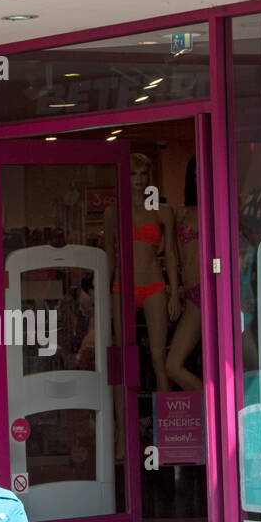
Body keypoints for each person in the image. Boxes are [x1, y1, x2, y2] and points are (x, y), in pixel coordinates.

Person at [106, 152, 181, 393]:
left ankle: (166, 423)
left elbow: (170, 253)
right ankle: (123, 429)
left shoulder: (163, 211)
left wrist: (174, 294)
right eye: (132, 173)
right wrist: (103, 297)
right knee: (123, 359)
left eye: (142, 173)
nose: (138, 178)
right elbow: (109, 256)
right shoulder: (113, 213)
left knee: (159, 360)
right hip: (122, 287)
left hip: (154, 285)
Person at [165, 157, 203, 391]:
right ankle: (211, 408)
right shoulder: (181, 213)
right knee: (172, 365)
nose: (200, 174)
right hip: (192, 296)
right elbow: (172, 254)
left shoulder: (220, 206)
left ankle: (220, 412)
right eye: (196, 171)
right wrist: (174, 291)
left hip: (216, 293)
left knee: (234, 362)